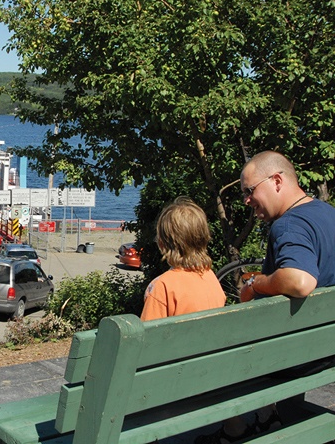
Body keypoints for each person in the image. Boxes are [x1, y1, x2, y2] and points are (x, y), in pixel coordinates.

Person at [196, 150, 335, 443]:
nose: (246, 200)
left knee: (206, 351)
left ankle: (235, 431)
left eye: (249, 191)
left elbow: (300, 281)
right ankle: (267, 416)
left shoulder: (289, 224)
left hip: (296, 358)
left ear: (276, 180)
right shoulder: (328, 213)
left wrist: (257, 283)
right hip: (327, 350)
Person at [140, 197, 226, 321]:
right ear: (203, 239)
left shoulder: (162, 286)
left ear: (161, 243)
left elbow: (148, 336)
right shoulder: (210, 277)